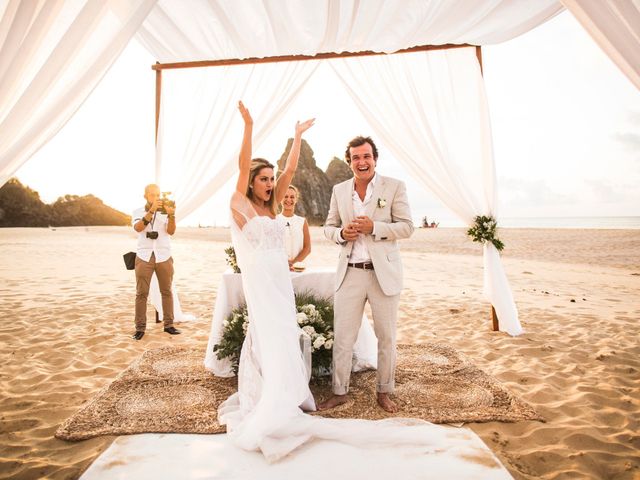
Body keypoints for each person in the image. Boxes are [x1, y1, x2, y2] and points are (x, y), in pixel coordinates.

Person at [218, 103, 456, 463]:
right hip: (261, 286)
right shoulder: (239, 205)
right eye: (263, 179)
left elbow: (292, 168)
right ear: (250, 181)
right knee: (269, 337)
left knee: (285, 335)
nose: (270, 184)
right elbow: (243, 161)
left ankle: (292, 395)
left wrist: (297, 137)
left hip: (280, 284)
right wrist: (249, 125)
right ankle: (272, 399)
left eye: (271, 179)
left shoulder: (273, 206)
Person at [320, 136, 414, 413]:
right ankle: (339, 392)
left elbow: (407, 227)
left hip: (383, 274)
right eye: (356, 158)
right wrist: (340, 234)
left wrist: (375, 226)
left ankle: (384, 391)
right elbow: (328, 227)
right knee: (343, 337)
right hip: (349, 273)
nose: (362, 162)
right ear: (349, 161)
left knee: (386, 337)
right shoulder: (339, 190)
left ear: (375, 158)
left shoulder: (395, 187)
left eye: (367, 157)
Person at [131, 184, 181, 340]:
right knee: (141, 294)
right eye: (152, 195)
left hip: (164, 255)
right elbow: (138, 228)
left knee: (166, 291)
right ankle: (140, 328)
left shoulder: (166, 211)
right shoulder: (137, 212)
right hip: (144, 255)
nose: (156, 198)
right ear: (145, 195)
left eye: (158, 195)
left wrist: (172, 216)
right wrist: (151, 210)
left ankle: (169, 325)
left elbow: (171, 231)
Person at [277, 185, 311, 270]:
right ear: (281, 198)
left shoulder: (302, 222)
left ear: (296, 200)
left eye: (292, 197)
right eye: (285, 196)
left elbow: (307, 248)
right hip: (279, 268)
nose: (289, 200)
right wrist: (283, 263)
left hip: (298, 269)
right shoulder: (274, 220)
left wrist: (293, 263)